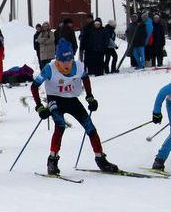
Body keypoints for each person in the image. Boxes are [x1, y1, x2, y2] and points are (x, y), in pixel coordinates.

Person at [31, 39, 118, 175]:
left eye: (69, 60)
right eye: (62, 61)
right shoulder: (49, 68)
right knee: (60, 126)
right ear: (57, 59)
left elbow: (85, 78)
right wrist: (39, 107)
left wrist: (90, 96)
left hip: (72, 99)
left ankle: (101, 159)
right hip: (55, 100)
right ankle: (52, 161)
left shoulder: (79, 66)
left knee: (90, 128)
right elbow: (34, 86)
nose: (66, 64)